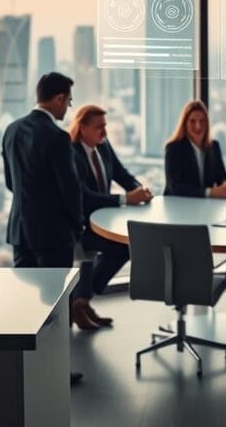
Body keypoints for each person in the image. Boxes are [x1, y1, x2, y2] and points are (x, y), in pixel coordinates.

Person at [2, 72, 85, 384]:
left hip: (20, 230)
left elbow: (11, 183)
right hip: (52, 234)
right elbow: (70, 189)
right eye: (68, 101)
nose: (68, 108)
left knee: (25, 305)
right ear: (59, 98)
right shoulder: (57, 137)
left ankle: (25, 372)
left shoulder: (11, 130)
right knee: (55, 307)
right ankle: (55, 373)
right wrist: (77, 225)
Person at [69, 104, 153, 330]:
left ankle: (80, 302)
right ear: (82, 128)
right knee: (122, 247)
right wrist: (126, 199)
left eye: (105, 126)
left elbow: (122, 174)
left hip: (100, 222)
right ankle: (80, 302)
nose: (105, 132)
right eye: (99, 127)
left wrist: (139, 189)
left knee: (124, 247)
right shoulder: (71, 153)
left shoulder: (103, 147)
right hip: (78, 225)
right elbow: (85, 197)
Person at [164, 100, 226, 198]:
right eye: (192, 121)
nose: (198, 126)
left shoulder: (214, 147)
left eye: (202, 121)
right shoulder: (173, 148)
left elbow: (222, 177)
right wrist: (209, 192)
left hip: (205, 205)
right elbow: (175, 187)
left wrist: (225, 185)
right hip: (177, 204)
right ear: (185, 124)